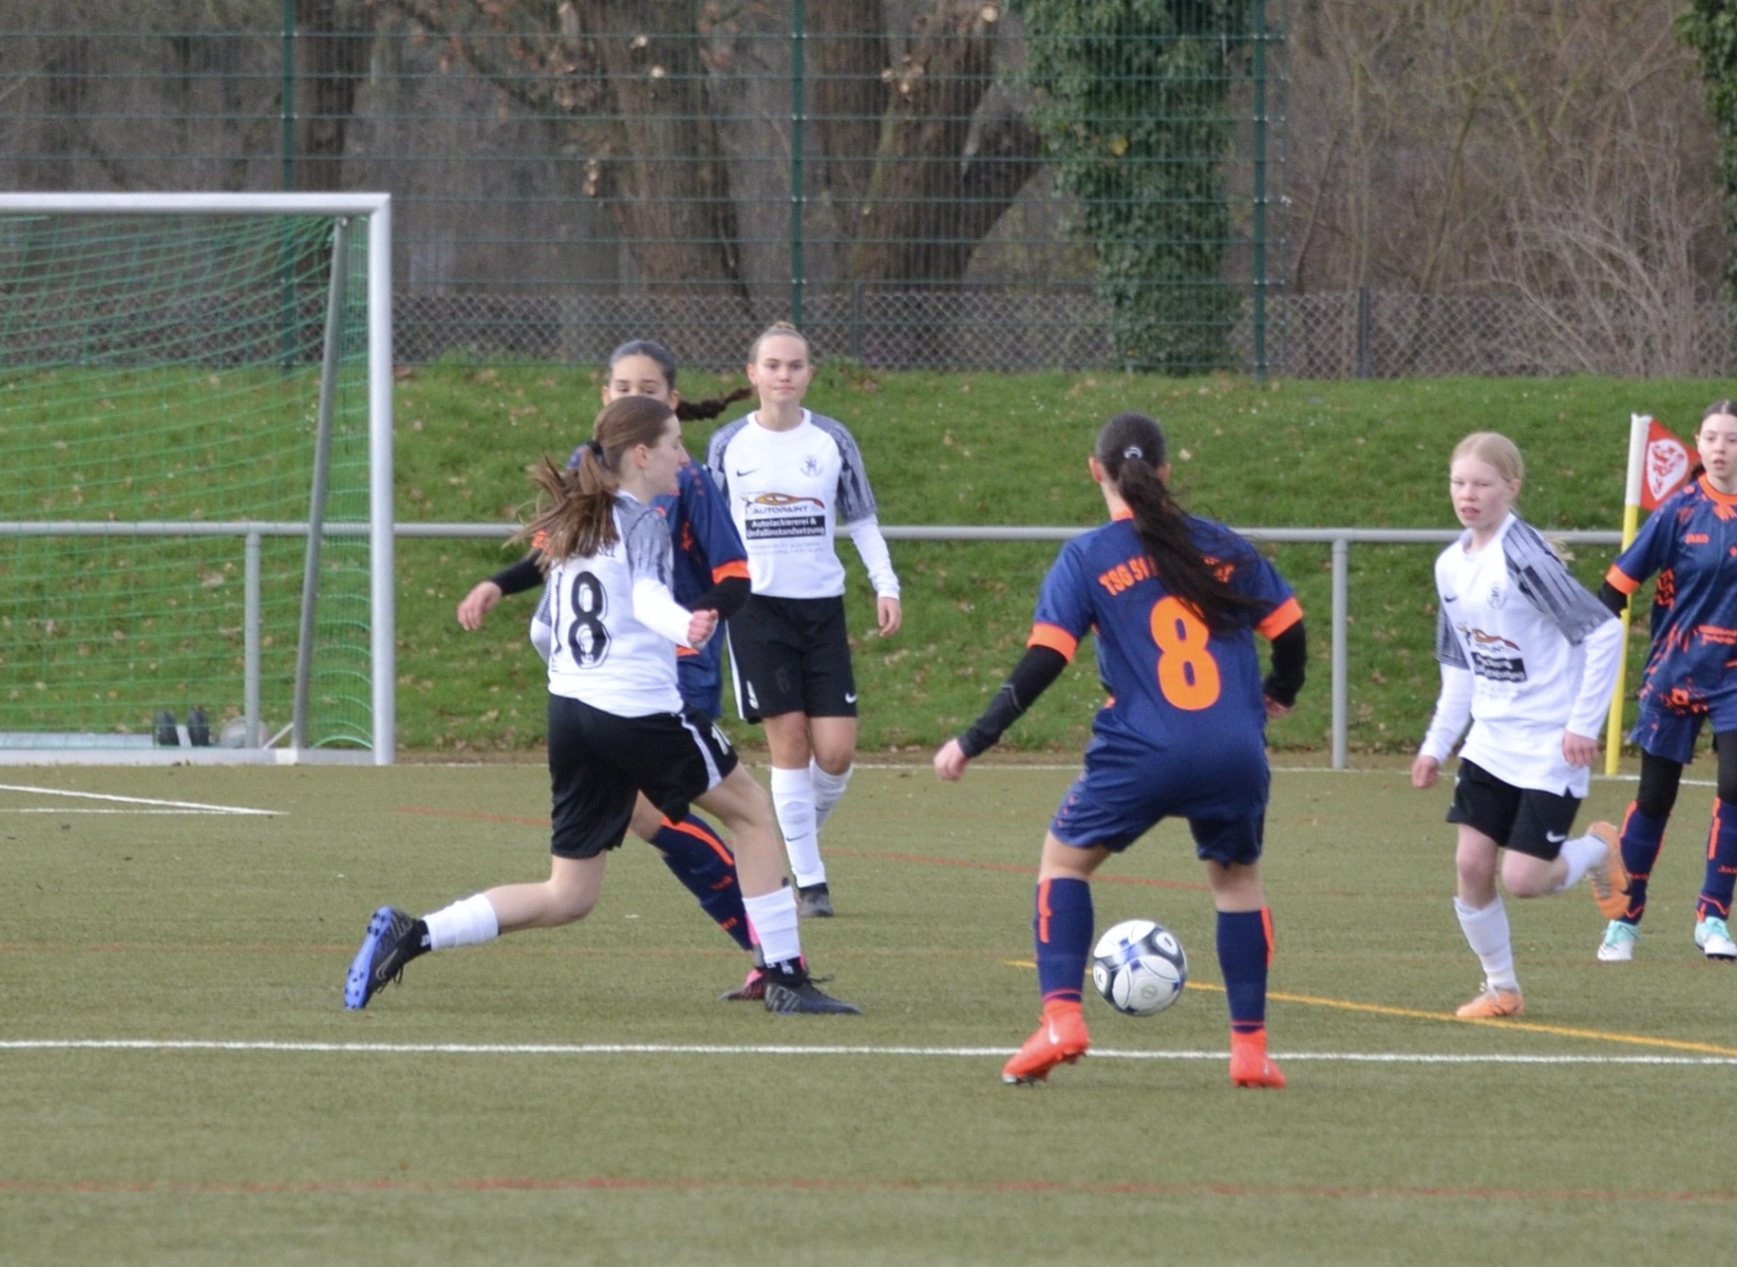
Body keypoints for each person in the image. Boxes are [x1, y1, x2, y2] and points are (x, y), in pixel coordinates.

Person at [346, 394, 858, 1015]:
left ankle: (414, 933)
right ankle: (786, 978)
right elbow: (646, 598)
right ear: (641, 454)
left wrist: (568, 661)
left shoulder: (577, 519)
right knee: (751, 813)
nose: (683, 457)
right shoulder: (642, 520)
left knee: (569, 894)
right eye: (674, 445)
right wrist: (687, 624)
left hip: (571, 714)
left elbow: (544, 628)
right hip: (637, 711)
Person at [933, 411, 1306, 1089]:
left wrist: (975, 737)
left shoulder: (1088, 557)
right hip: (1234, 748)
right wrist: (1281, 690)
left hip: (1144, 747)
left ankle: (1061, 1019)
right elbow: (1290, 628)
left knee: (1063, 862)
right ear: (1165, 471)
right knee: (1237, 884)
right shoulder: (1225, 545)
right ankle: (1250, 1048)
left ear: (1095, 471)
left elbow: (1046, 659)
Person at [453, 341, 768, 995]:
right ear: (604, 397)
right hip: (608, 682)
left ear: (671, 402)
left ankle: (768, 944)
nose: (633, 396)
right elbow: (553, 553)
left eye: (647, 389)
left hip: (670, 673)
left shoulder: (689, 476)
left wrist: (696, 618)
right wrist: (499, 584)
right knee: (655, 823)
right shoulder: (589, 470)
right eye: (622, 386)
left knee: (673, 818)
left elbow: (734, 575)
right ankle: (768, 944)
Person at [1411, 432, 1629, 1019]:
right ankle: (1501, 988)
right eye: (1459, 483)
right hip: (1490, 741)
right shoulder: (1450, 567)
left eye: (1482, 484)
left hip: (1551, 743)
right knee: (1471, 864)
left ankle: (1600, 848)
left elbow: (1604, 633)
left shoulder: (1524, 557)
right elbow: (1460, 665)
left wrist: (1583, 724)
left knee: (1526, 879)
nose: (1468, 494)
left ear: (1511, 488)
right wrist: (1436, 744)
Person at [1593, 400, 1737, 963]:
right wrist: (1580, 653)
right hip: (1676, 668)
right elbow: (1617, 586)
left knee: (1736, 784)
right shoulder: (1678, 509)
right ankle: (1624, 920)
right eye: (1710, 437)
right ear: (1699, 442)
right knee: (1654, 797)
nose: (1719, 448)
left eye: (1732, 438)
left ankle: (1713, 916)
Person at [705, 321, 901, 919]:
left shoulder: (833, 439)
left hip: (821, 610)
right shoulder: (728, 444)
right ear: (752, 374)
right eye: (772, 365)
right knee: (789, 741)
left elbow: (862, 520)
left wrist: (885, 584)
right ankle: (811, 885)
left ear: (809, 374)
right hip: (756, 609)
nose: (783, 375)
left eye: (794, 365)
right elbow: (708, 526)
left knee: (835, 754)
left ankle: (785, 839)